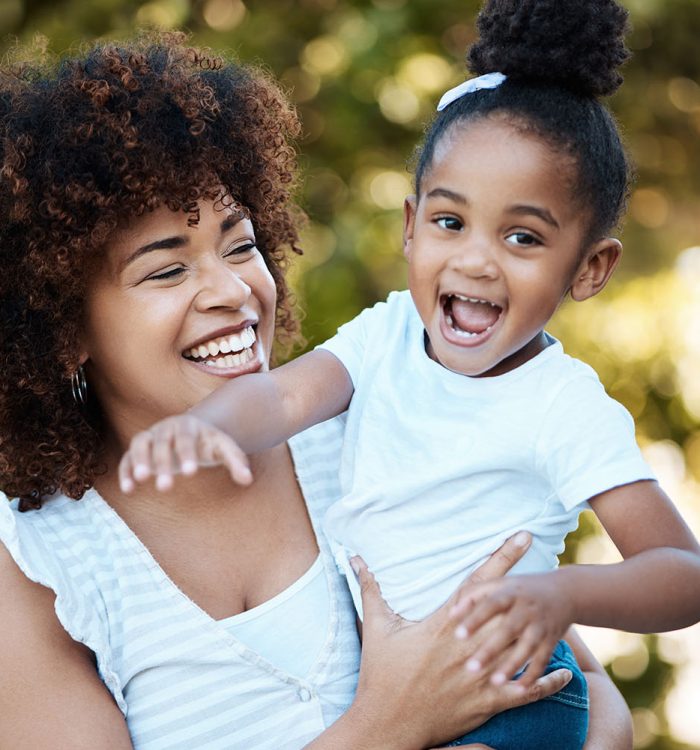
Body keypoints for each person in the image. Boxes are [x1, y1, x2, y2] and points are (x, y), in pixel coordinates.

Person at [0, 30, 633, 750]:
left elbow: (593, 701)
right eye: (167, 270)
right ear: (63, 322)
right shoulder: (38, 566)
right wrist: (386, 726)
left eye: (241, 246)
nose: (232, 289)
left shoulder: (371, 428)